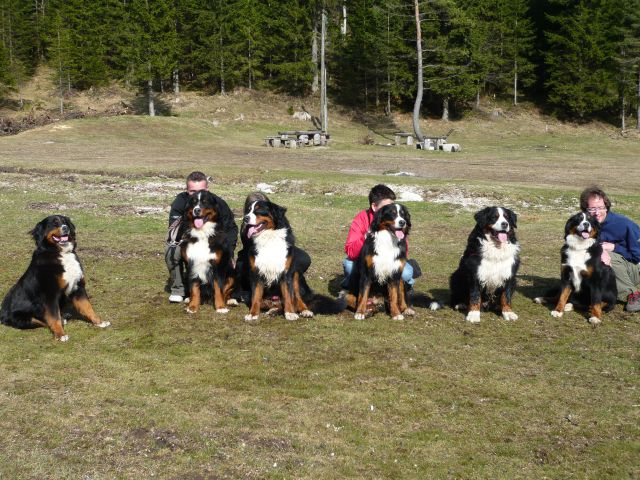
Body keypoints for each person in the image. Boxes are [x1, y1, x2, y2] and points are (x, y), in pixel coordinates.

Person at [234, 192, 312, 302]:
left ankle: (283, 287)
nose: (250, 215)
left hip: (278, 251)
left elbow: (288, 242)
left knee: (303, 258)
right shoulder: (248, 226)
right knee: (241, 265)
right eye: (250, 210)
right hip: (257, 256)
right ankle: (250, 292)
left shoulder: (278, 219)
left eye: (258, 210)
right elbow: (250, 248)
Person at [341, 184, 419, 290]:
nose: (390, 208)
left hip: (390, 260)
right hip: (368, 259)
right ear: (374, 206)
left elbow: (403, 250)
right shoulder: (361, 218)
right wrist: (366, 237)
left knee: (406, 273)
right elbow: (351, 251)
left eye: (392, 205)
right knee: (350, 266)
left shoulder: (395, 222)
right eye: (386, 206)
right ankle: (354, 284)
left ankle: (405, 283)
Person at [580, 185, 640, 312]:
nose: (597, 212)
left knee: (602, 256)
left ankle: (633, 294)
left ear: (606, 207)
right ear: (585, 209)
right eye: (592, 209)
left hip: (631, 270)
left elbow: (638, 256)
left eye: (601, 208)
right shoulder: (584, 225)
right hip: (601, 273)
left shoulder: (625, 224)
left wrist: (615, 247)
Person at [164, 171, 209, 303]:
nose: (196, 194)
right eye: (192, 191)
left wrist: (229, 252)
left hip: (211, 242)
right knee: (172, 250)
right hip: (188, 238)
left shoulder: (216, 202)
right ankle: (178, 289)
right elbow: (174, 227)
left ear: (207, 189)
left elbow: (229, 227)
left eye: (200, 190)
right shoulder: (180, 201)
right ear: (186, 190)